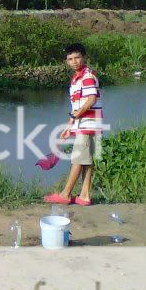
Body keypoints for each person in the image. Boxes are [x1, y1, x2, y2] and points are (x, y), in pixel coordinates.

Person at [44, 43, 104, 206]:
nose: (74, 61)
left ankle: (65, 194)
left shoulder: (88, 76)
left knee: (78, 159)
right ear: (67, 62)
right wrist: (69, 126)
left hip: (88, 123)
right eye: (70, 59)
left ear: (84, 58)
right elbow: (76, 106)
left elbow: (91, 99)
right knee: (86, 159)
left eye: (77, 57)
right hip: (85, 123)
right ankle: (85, 196)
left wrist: (77, 115)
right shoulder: (77, 78)